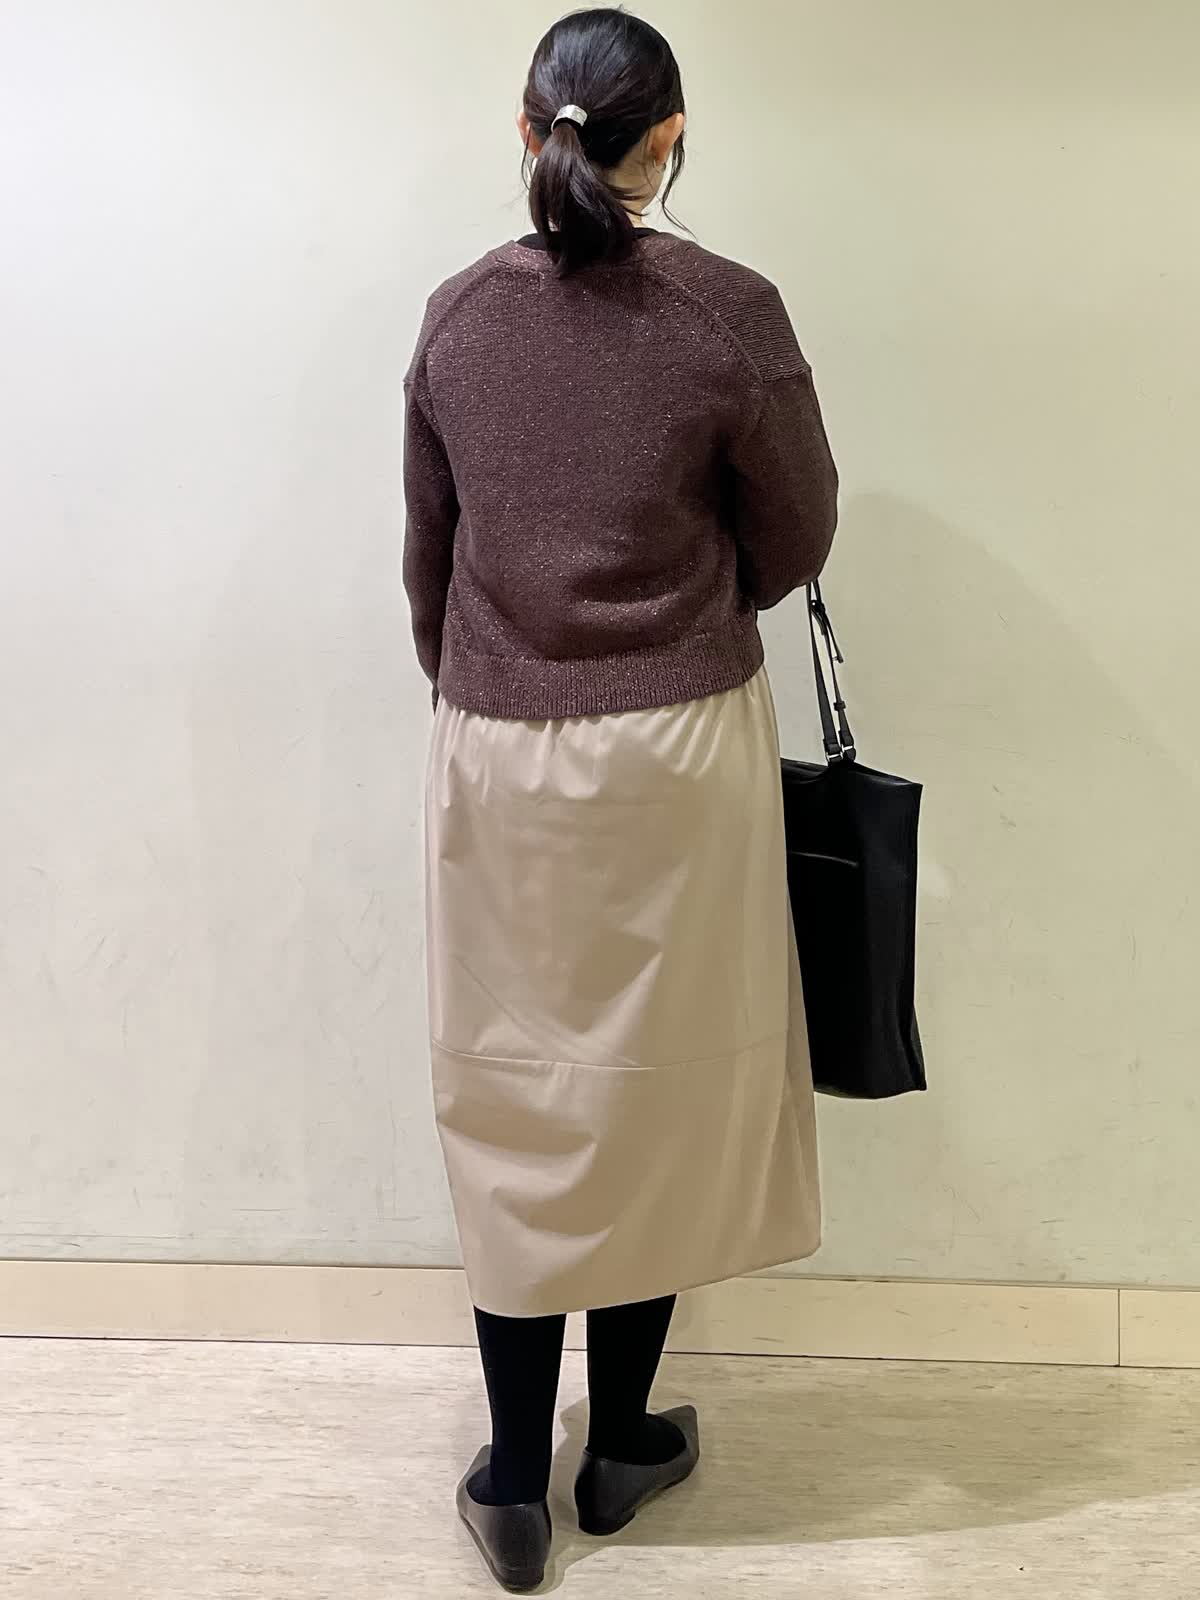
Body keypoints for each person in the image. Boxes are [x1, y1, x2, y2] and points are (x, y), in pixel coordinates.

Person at [403, 8, 838, 1590]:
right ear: (672, 139)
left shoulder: (459, 317)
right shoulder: (731, 312)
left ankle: (515, 1476)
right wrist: (684, 610)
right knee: (652, 1086)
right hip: (678, 744)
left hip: (500, 745)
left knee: (514, 1089)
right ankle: (624, 1445)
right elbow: (798, 533)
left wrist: (485, 667)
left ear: (530, 136)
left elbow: (430, 556)